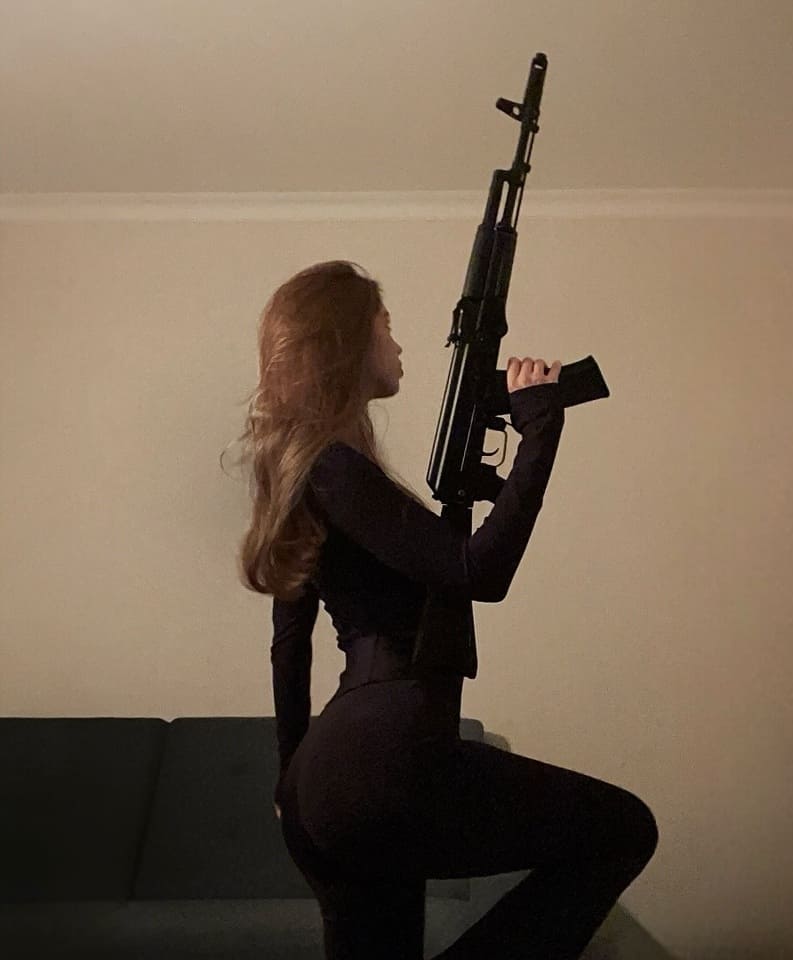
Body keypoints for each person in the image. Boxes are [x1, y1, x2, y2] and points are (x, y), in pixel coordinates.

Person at [237, 261, 657, 959]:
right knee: (623, 829)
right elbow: (479, 572)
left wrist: (290, 777)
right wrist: (539, 432)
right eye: (386, 328)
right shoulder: (337, 470)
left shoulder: (311, 470)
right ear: (349, 341)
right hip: (383, 765)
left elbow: (290, 641)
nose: (399, 345)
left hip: (323, 787)